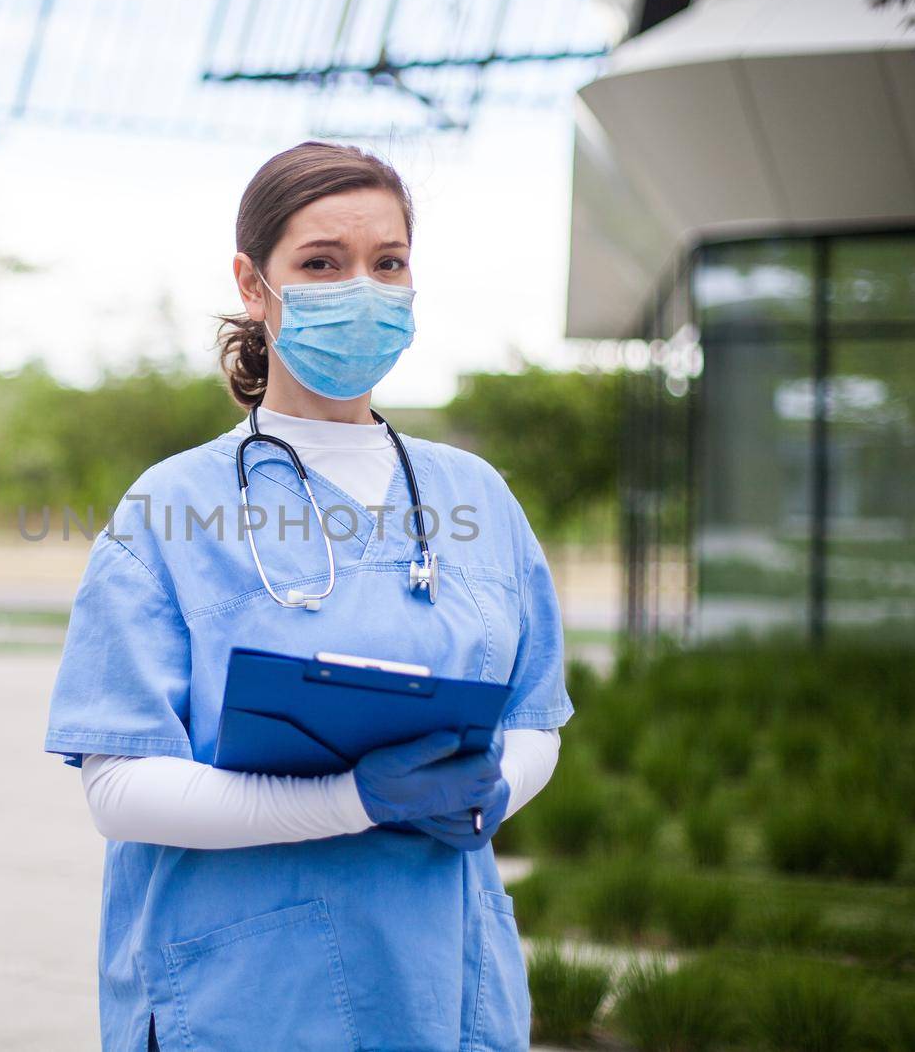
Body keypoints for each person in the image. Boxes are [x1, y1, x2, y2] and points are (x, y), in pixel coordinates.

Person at [43, 140, 573, 1052]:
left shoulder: (475, 496)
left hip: (447, 984)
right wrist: (357, 800)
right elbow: (119, 786)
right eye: (322, 263)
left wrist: (496, 787)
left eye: (388, 263)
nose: (361, 286)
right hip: (247, 996)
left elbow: (536, 717)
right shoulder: (170, 509)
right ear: (254, 285)